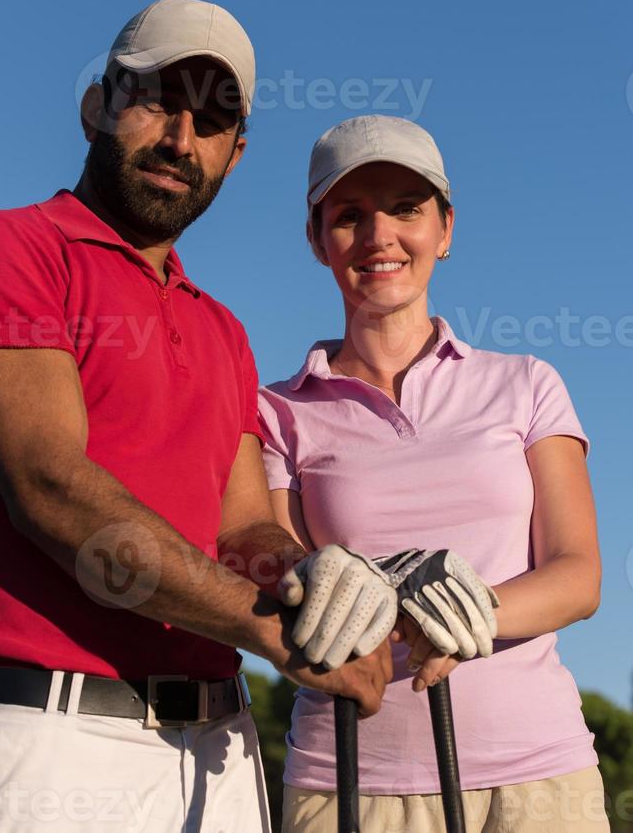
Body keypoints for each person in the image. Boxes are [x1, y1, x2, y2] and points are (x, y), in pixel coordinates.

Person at [0, 0, 395, 833]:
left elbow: (244, 527)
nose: (179, 139)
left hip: (222, 751)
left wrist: (312, 581)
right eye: (156, 101)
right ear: (97, 105)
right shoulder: (11, 247)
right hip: (52, 739)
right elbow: (50, 486)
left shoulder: (223, 328)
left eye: (211, 120)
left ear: (234, 156)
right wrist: (274, 632)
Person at [259, 114, 609, 832]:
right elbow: (272, 569)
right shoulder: (275, 410)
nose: (379, 235)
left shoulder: (528, 383)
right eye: (350, 215)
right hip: (346, 783)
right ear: (317, 240)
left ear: (445, 230)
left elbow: (578, 576)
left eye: (407, 209)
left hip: (539, 782)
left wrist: (459, 613)